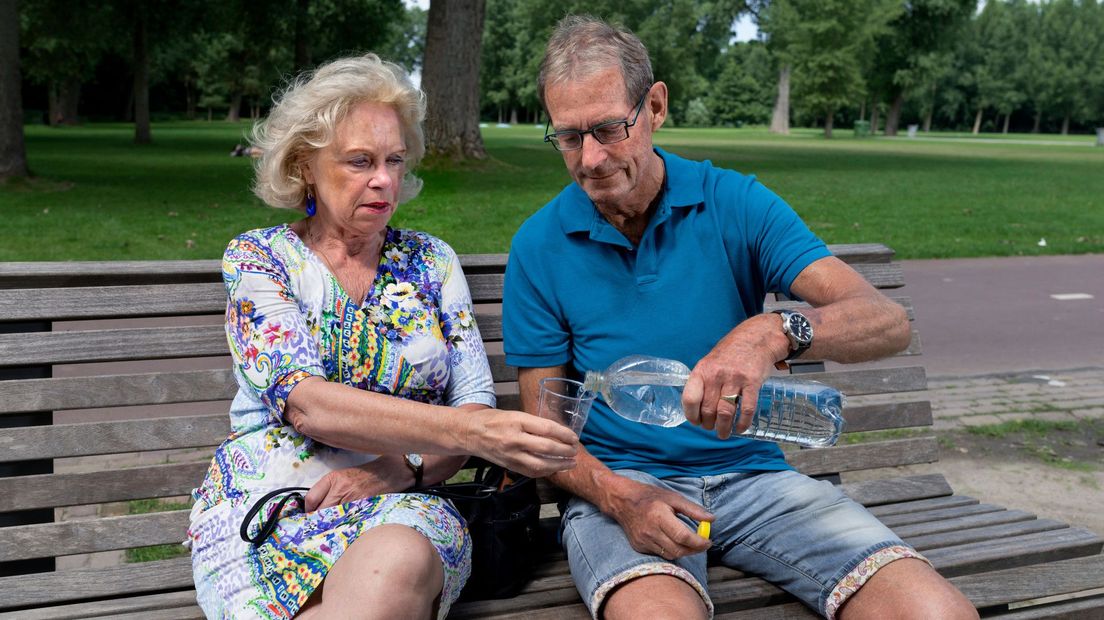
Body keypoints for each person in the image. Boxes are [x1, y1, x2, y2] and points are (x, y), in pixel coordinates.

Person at [502, 16, 978, 620]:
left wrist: (772, 331)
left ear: (655, 107)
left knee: (936, 613)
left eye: (608, 129)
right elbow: (547, 429)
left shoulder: (734, 202)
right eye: (570, 137)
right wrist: (620, 499)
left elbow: (884, 320)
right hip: (624, 490)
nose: (591, 159)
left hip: (757, 479)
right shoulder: (540, 245)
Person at [187, 53, 579, 620]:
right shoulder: (260, 259)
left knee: (396, 565)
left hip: (402, 507)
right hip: (271, 507)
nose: (384, 179)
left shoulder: (432, 262)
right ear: (304, 166)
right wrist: (469, 429)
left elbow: (473, 401)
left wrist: (399, 471)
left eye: (394, 160)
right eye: (360, 161)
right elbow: (308, 405)